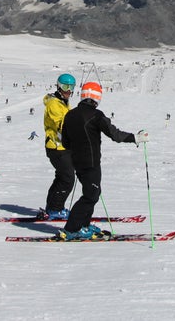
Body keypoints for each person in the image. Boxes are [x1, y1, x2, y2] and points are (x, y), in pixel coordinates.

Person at [58, 81, 145, 241]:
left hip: (77, 162)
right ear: (97, 98)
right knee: (90, 195)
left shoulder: (70, 114)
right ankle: (71, 229)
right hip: (91, 163)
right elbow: (115, 135)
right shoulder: (96, 115)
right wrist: (135, 138)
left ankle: (83, 225)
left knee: (93, 192)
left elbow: (65, 143)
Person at [39, 73, 76, 220]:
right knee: (67, 178)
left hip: (62, 147)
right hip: (56, 147)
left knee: (61, 177)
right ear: (59, 86)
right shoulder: (54, 104)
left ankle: (52, 207)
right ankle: (56, 208)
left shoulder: (62, 102)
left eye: (71, 87)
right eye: (66, 87)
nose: (69, 91)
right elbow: (61, 125)